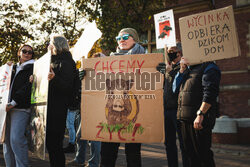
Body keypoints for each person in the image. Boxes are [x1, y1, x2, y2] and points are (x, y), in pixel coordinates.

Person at [100, 28, 145, 167]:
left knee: (133, 156)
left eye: (125, 36)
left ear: (135, 39)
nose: (121, 40)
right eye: (118, 38)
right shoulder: (108, 61)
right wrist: (85, 75)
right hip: (111, 113)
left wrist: (161, 72)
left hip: (134, 112)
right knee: (107, 155)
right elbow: (99, 84)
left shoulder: (146, 60)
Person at [177, 57, 221, 167]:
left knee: (203, 155)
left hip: (199, 120)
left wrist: (201, 113)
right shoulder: (189, 69)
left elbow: (210, 93)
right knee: (191, 156)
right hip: (185, 119)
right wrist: (182, 70)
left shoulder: (210, 67)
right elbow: (176, 89)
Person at [67, 52, 105, 167]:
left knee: (95, 139)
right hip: (86, 109)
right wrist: (80, 76)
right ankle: (79, 159)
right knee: (80, 136)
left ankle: (94, 163)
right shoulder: (87, 73)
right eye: (94, 60)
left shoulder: (107, 74)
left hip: (99, 110)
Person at [156, 42, 189, 167]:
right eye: (168, 52)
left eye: (171, 51)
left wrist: (173, 72)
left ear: (179, 52)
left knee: (183, 142)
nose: (169, 54)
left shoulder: (185, 67)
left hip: (179, 110)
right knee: (169, 143)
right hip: (166, 110)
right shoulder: (165, 68)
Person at [46, 35, 76, 167]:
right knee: (51, 144)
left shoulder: (66, 62)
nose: (48, 46)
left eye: (50, 43)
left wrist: (54, 78)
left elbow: (67, 87)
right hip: (50, 107)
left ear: (56, 45)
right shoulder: (53, 60)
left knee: (55, 144)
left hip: (58, 108)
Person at [3, 44, 35, 167]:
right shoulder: (13, 68)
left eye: (30, 52)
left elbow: (27, 88)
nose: (27, 54)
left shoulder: (34, 68)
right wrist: (7, 68)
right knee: (6, 141)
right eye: (24, 51)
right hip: (6, 108)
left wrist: (14, 102)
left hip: (20, 107)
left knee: (16, 139)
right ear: (19, 52)